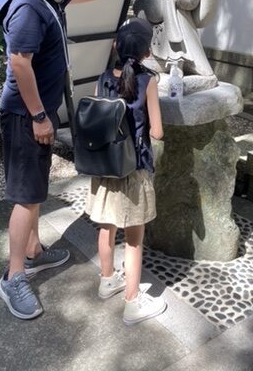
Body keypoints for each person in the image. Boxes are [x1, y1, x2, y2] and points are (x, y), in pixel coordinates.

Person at [0, 0, 150, 320]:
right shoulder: (28, 7)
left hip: (36, 112)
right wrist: (39, 116)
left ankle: (33, 252)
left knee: (34, 190)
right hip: (25, 115)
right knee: (25, 196)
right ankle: (13, 276)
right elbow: (19, 63)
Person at [85, 18, 167, 326]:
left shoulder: (103, 77)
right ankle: (132, 302)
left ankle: (107, 280)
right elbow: (157, 132)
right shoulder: (148, 81)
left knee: (106, 227)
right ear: (147, 52)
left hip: (105, 166)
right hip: (134, 170)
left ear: (116, 46)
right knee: (134, 239)